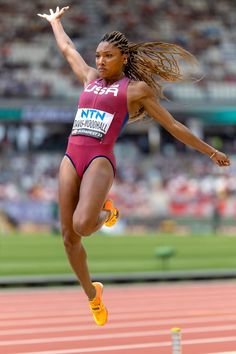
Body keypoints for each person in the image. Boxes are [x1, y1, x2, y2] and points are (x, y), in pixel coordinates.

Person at [38, 6, 231, 326]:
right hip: (71, 157)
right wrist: (56, 23)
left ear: (123, 58)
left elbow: (173, 125)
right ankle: (92, 294)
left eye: (107, 56)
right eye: (98, 56)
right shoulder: (88, 78)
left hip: (99, 159)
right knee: (68, 237)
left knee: (83, 225)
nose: (100, 61)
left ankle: (108, 213)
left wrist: (210, 151)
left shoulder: (136, 90)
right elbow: (67, 49)